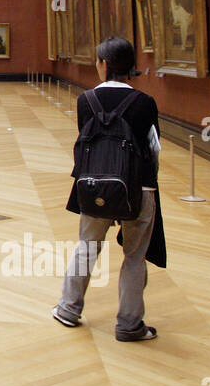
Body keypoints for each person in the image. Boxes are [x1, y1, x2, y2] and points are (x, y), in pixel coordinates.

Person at [53, 37, 165, 341]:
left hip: (94, 186)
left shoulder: (85, 100)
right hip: (138, 188)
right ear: (129, 66)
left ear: (103, 64)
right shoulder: (145, 103)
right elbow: (153, 149)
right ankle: (130, 325)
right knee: (134, 256)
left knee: (87, 245)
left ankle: (69, 308)